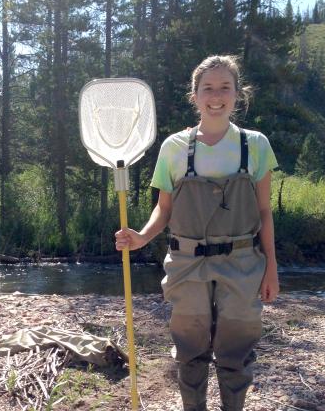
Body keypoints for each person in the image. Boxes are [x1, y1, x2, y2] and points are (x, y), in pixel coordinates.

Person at [115, 55, 279, 411]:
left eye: (225, 88)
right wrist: (141, 236)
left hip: (243, 262)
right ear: (195, 95)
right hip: (187, 262)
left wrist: (271, 269)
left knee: (236, 351)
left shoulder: (257, 145)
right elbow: (164, 208)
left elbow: (265, 212)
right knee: (190, 352)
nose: (216, 96)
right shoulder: (174, 147)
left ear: (238, 94)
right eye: (208, 88)